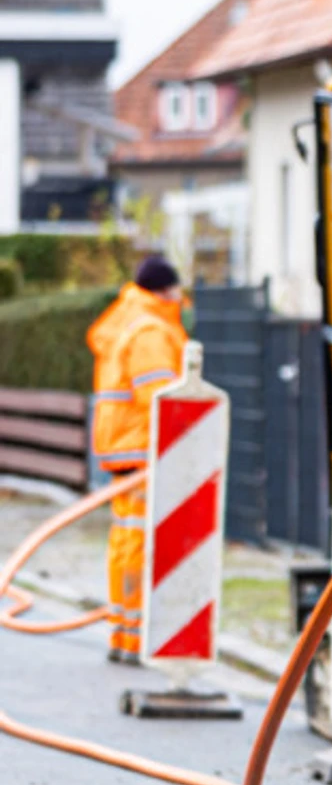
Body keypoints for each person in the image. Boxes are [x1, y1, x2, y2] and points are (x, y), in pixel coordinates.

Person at [84, 257, 188, 664]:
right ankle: (135, 635)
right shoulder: (150, 329)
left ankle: (125, 634)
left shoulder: (127, 320)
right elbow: (161, 397)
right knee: (139, 542)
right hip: (145, 448)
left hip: (125, 448)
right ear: (166, 290)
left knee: (128, 539)